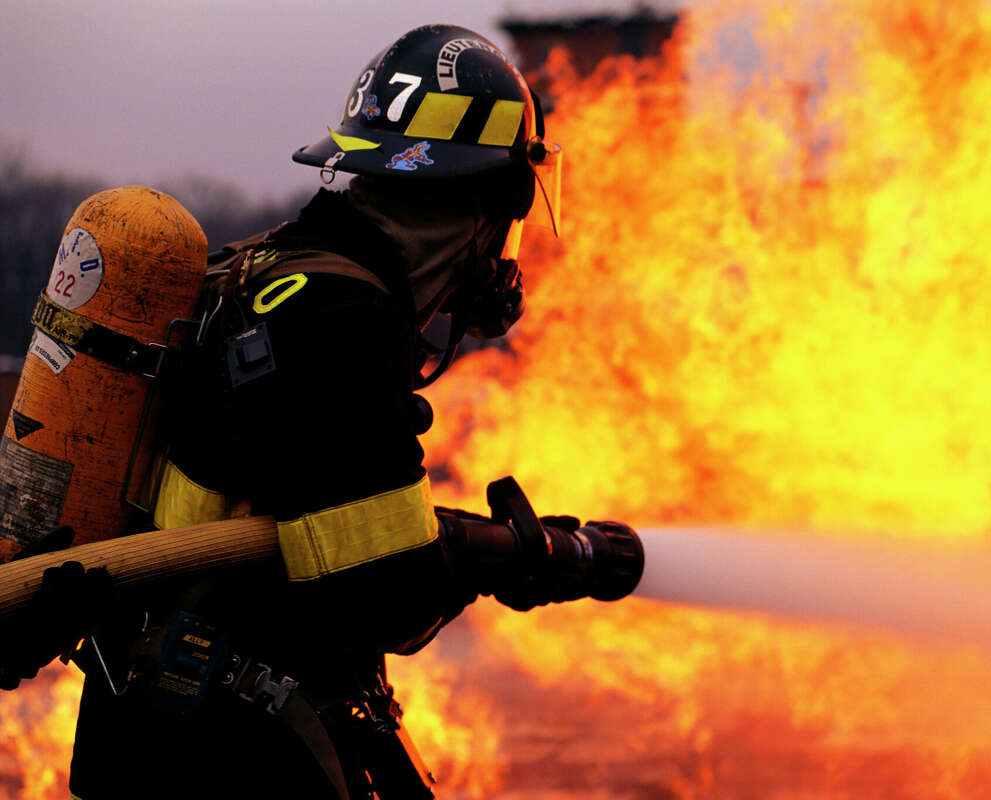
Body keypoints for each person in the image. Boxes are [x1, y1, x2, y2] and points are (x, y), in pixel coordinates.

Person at [0, 24, 641, 799]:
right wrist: (515, 557)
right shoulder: (341, 319)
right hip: (228, 754)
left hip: (164, 727)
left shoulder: (270, 268)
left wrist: (485, 546)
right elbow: (385, 590)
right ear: (486, 202)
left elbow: (328, 515)